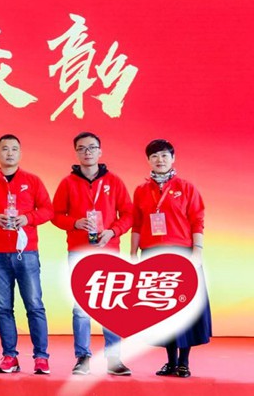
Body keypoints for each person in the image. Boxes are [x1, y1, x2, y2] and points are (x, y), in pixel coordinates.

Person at [51, 132, 133, 376]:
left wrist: (113, 231)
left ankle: (114, 358)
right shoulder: (67, 183)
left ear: (100, 151)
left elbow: (128, 214)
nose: (87, 152)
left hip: (108, 250)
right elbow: (55, 215)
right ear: (76, 152)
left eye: (92, 147)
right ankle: (83, 357)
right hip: (79, 252)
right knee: (81, 307)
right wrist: (75, 223)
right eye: (82, 148)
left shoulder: (114, 182)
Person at [131, 139, 211, 378]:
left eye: (165, 155)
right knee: (162, 309)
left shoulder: (186, 188)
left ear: (173, 158)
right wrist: (133, 254)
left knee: (184, 308)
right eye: (154, 156)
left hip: (182, 254)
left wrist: (197, 252)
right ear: (148, 160)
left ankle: (184, 362)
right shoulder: (141, 190)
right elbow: (137, 224)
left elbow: (197, 220)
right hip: (152, 255)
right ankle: (170, 362)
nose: (160, 160)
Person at [0, 134, 53, 375]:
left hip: (26, 252)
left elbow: (48, 210)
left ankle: (41, 357)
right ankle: (10, 356)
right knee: (3, 307)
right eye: (5, 149)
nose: (9, 153)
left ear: (20, 153)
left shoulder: (33, 181)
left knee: (34, 305)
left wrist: (28, 218)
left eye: (14, 149)